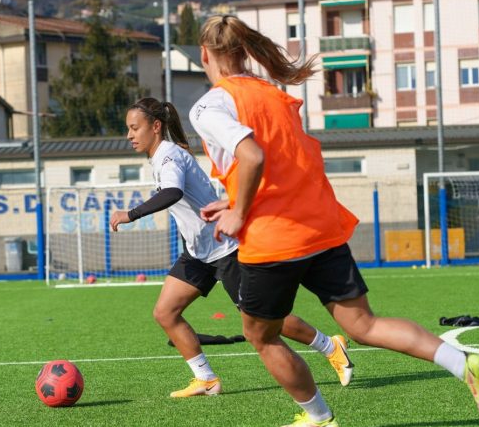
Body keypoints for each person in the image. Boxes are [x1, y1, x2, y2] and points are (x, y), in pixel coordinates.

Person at [190, 15, 479, 427]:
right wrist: (233, 199)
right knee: (364, 325)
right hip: (321, 226)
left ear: (204, 55)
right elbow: (280, 165)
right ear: (245, 51)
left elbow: (253, 157)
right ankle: (462, 364)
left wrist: (240, 213)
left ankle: (318, 418)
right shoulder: (271, 93)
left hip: (274, 238)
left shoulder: (209, 105)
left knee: (261, 335)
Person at [110, 97, 355, 398]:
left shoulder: (169, 155)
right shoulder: (162, 156)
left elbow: (172, 192)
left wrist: (131, 214)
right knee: (166, 312)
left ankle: (331, 346)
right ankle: (206, 379)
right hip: (199, 253)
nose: (129, 135)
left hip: (225, 249)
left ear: (156, 126)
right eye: (128, 129)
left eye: (135, 128)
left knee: (263, 320)